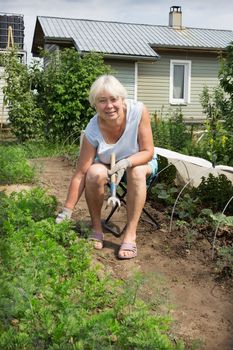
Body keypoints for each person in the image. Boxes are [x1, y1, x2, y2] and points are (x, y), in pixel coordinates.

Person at [56, 74, 157, 259]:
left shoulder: (138, 111)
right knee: (93, 173)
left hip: (140, 162)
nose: (109, 106)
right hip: (107, 165)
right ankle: (97, 228)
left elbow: (148, 151)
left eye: (113, 99)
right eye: (102, 101)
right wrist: (67, 211)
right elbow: (81, 173)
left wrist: (126, 162)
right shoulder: (92, 129)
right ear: (95, 104)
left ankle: (130, 235)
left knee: (135, 172)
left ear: (122, 98)